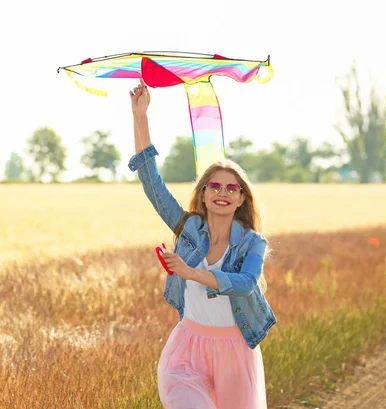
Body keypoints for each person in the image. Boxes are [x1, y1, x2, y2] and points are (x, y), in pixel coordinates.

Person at [127, 78, 277, 409]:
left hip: (236, 355)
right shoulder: (189, 229)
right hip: (187, 352)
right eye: (214, 186)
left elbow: (245, 284)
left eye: (231, 189)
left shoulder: (253, 244)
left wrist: (191, 273)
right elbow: (152, 184)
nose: (222, 192)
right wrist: (140, 116)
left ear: (241, 199)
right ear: (204, 194)